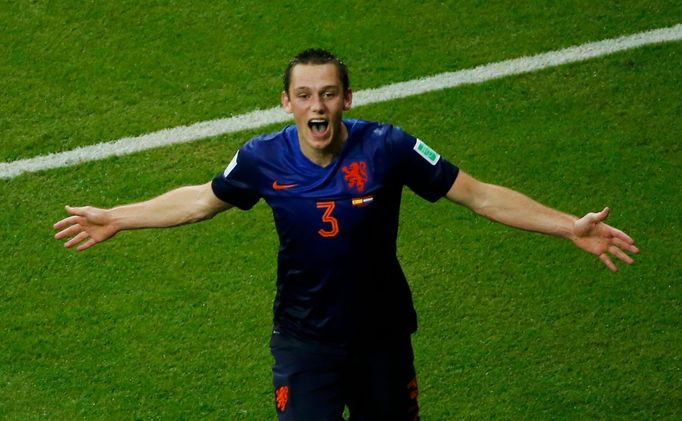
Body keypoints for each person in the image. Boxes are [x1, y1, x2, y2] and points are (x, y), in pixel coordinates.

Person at [54, 49, 639, 420]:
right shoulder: (262, 157)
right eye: (304, 94)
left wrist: (569, 227)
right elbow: (201, 201)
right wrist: (118, 216)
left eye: (328, 93)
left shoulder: (388, 146)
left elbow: (478, 194)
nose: (318, 105)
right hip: (305, 340)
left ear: (346, 99)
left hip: (383, 338)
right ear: (287, 102)